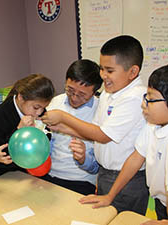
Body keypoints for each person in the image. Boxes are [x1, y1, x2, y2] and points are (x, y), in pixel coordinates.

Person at [41, 35, 149, 214]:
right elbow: (95, 131)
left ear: (132, 72)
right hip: (105, 174)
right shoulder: (109, 93)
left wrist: (63, 118)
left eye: (110, 70)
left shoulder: (135, 97)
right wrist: (62, 129)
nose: (103, 76)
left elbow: (102, 135)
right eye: (101, 69)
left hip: (128, 180)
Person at [80, 65, 168, 224]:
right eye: (145, 97)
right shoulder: (152, 126)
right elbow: (135, 158)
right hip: (160, 202)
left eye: (152, 99)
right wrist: (109, 196)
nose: (144, 104)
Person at [41, 59, 102, 195]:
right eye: (70, 90)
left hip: (81, 181)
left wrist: (83, 159)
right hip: (49, 174)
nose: (74, 98)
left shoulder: (101, 111)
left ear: (94, 92)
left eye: (82, 95)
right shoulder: (55, 102)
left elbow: (97, 168)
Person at [0, 74, 55, 177]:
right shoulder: (0, 114)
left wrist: (42, 130)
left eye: (43, 107)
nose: (39, 112)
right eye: (36, 107)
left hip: (32, 169)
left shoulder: (39, 112)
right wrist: (18, 130)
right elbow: (0, 154)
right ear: (20, 97)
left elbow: (45, 139)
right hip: (7, 172)